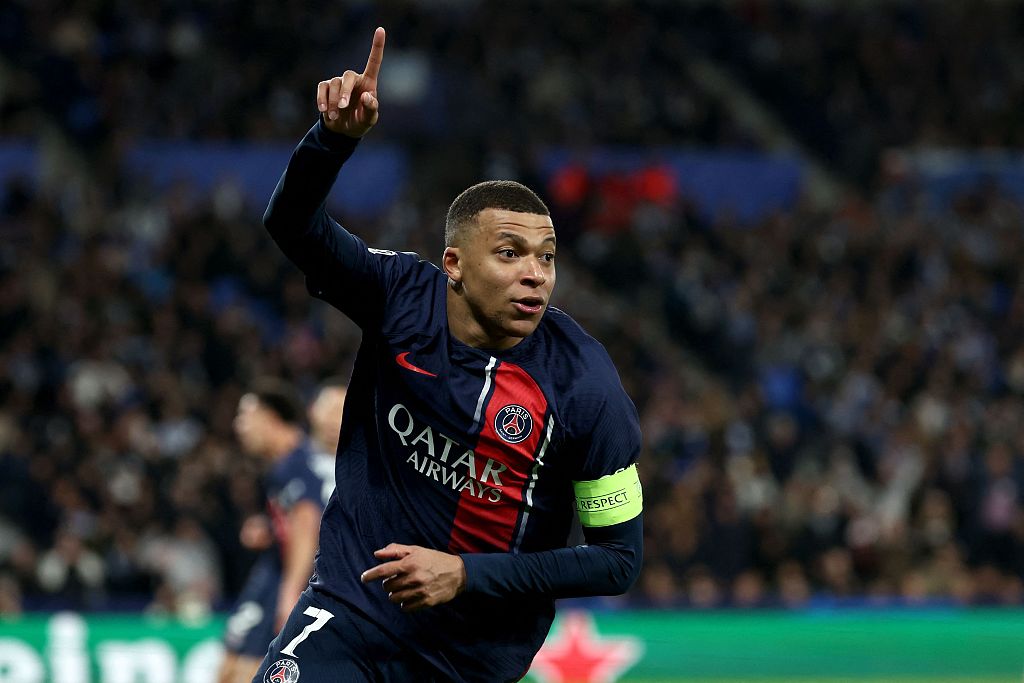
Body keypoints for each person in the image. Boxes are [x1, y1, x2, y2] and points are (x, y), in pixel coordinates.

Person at [255, 27, 643, 683]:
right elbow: (290, 226)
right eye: (511, 252)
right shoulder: (400, 295)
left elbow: (617, 558)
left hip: (469, 660)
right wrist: (332, 141)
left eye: (547, 257)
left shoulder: (587, 386)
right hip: (352, 612)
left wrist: (465, 572)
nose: (536, 275)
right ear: (455, 263)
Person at [218, 379, 336, 683]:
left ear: (269, 418)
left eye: (245, 416)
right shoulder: (286, 464)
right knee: (229, 669)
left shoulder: (296, 464)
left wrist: (290, 594)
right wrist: (270, 529)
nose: (238, 426)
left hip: (284, 579)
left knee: (247, 672)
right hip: (273, 571)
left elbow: (307, 526)